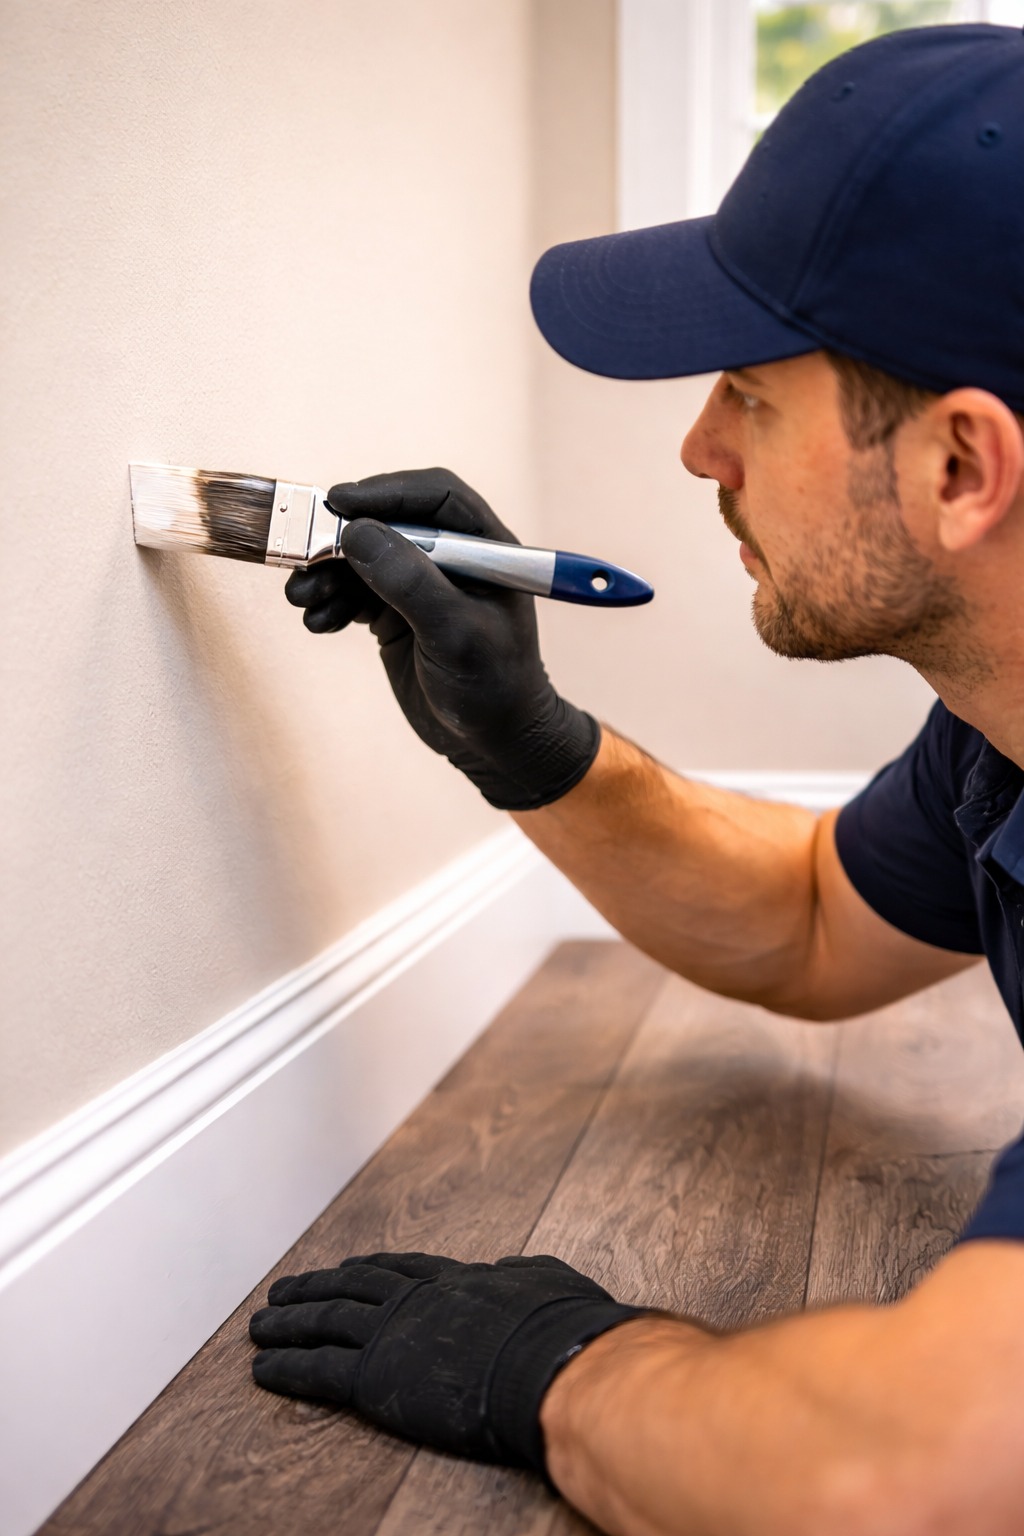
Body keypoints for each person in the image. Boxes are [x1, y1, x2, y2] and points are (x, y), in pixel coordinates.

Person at [248, 24, 1024, 1534]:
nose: (696, 447)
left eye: (749, 392)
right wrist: (529, 742)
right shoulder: (999, 742)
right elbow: (810, 921)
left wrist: (571, 1370)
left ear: (958, 468)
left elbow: (921, 1483)